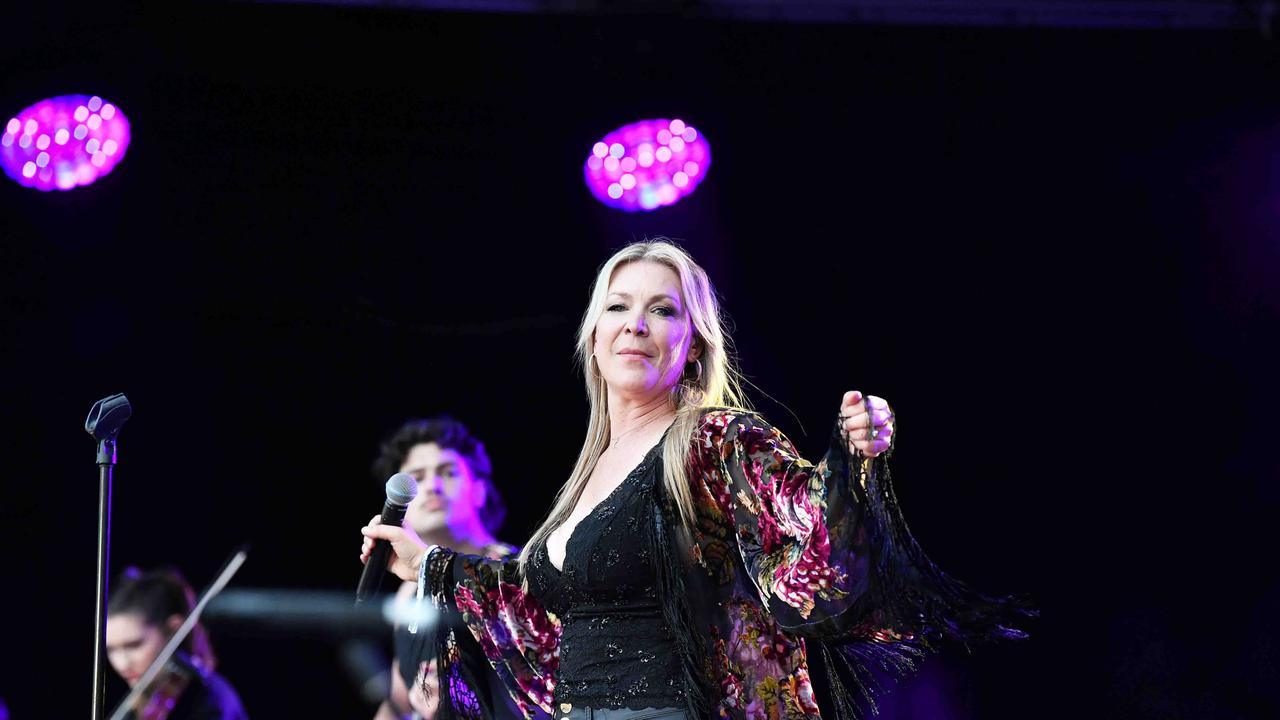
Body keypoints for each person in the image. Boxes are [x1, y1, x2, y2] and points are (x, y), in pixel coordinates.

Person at [361, 239, 1031, 720]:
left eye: (664, 310)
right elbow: (539, 607)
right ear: (595, 335)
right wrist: (430, 564)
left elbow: (809, 528)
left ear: (694, 343)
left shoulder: (713, 438)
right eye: (619, 307)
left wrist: (855, 459)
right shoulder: (587, 473)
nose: (638, 324)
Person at [370, 417, 535, 720]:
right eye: (416, 478)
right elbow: (397, 704)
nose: (431, 486)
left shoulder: (517, 572)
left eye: (448, 473)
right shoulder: (407, 595)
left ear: (480, 489)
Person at [105, 567, 249, 720]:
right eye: (111, 649)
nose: (122, 663)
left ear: (173, 629)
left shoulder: (209, 698)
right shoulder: (144, 699)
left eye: (134, 645)